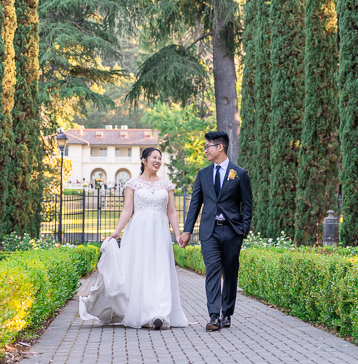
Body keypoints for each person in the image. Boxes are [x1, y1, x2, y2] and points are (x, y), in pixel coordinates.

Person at [78, 147, 188, 329]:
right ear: (144, 160)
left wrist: (177, 233)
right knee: (140, 270)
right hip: (138, 232)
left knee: (160, 270)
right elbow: (127, 210)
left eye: (160, 158)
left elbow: (172, 212)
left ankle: (160, 312)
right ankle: (144, 313)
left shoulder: (166, 185)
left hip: (160, 233)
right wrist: (117, 231)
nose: (158, 161)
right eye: (154, 157)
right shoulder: (132, 184)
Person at [179, 131, 253, 332]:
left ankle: (226, 313)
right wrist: (187, 231)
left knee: (229, 272)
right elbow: (195, 204)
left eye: (208, 147)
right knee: (212, 271)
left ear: (220, 147)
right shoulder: (202, 174)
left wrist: (243, 230)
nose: (205, 151)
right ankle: (213, 315)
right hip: (209, 231)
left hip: (232, 231)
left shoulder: (240, 173)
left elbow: (247, 205)